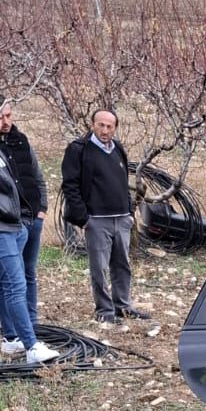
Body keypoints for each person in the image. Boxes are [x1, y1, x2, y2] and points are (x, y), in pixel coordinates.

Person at [0, 91, 59, 365]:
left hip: (11, 224)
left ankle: (11, 340)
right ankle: (32, 347)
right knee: (16, 284)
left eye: (1, 117)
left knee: (6, 282)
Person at [60, 108, 150, 326]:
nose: (105, 130)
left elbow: (122, 181)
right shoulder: (78, 150)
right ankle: (104, 309)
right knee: (99, 268)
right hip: (97, 220)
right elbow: (70, 185)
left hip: (121, 219)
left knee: (122, 265)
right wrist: (84, 218)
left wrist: (129, 213)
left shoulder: (117, 148)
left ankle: (123, 306)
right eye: (101, 125)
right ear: (92, 125)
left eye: (110, 126)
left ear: (115, 128)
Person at [0, 101, 47, 328]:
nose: (6, 122)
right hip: (8, 222)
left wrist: (42, 209)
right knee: (8, 278)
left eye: (8, 115)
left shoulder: (21, 140)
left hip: (32, 218)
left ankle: (31, 323)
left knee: (28, 273)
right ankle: (13, 331)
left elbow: (37, 177)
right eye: (0, 117)